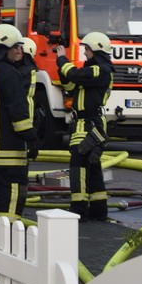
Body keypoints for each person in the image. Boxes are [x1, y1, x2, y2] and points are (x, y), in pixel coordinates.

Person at [0, 24, 38, 216]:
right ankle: (9, 241)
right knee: (11, 202)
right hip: (9, 153)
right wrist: (32, 138)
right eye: (16, 47)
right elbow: (18, 112)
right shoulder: (9, 73)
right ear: (3, 49)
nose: (20, 51)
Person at [56, 32, 114, 221]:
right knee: (92, 166)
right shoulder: (90, 72)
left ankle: (79, 208)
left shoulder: (101, 70)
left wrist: (62, 59)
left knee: (78, 165)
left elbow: (73, 73)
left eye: (87, 49)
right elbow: (71, 85)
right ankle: (98, 210)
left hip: (90, 125)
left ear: (96, 50)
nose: (85, 53)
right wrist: (62, 70)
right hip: (83, 124)